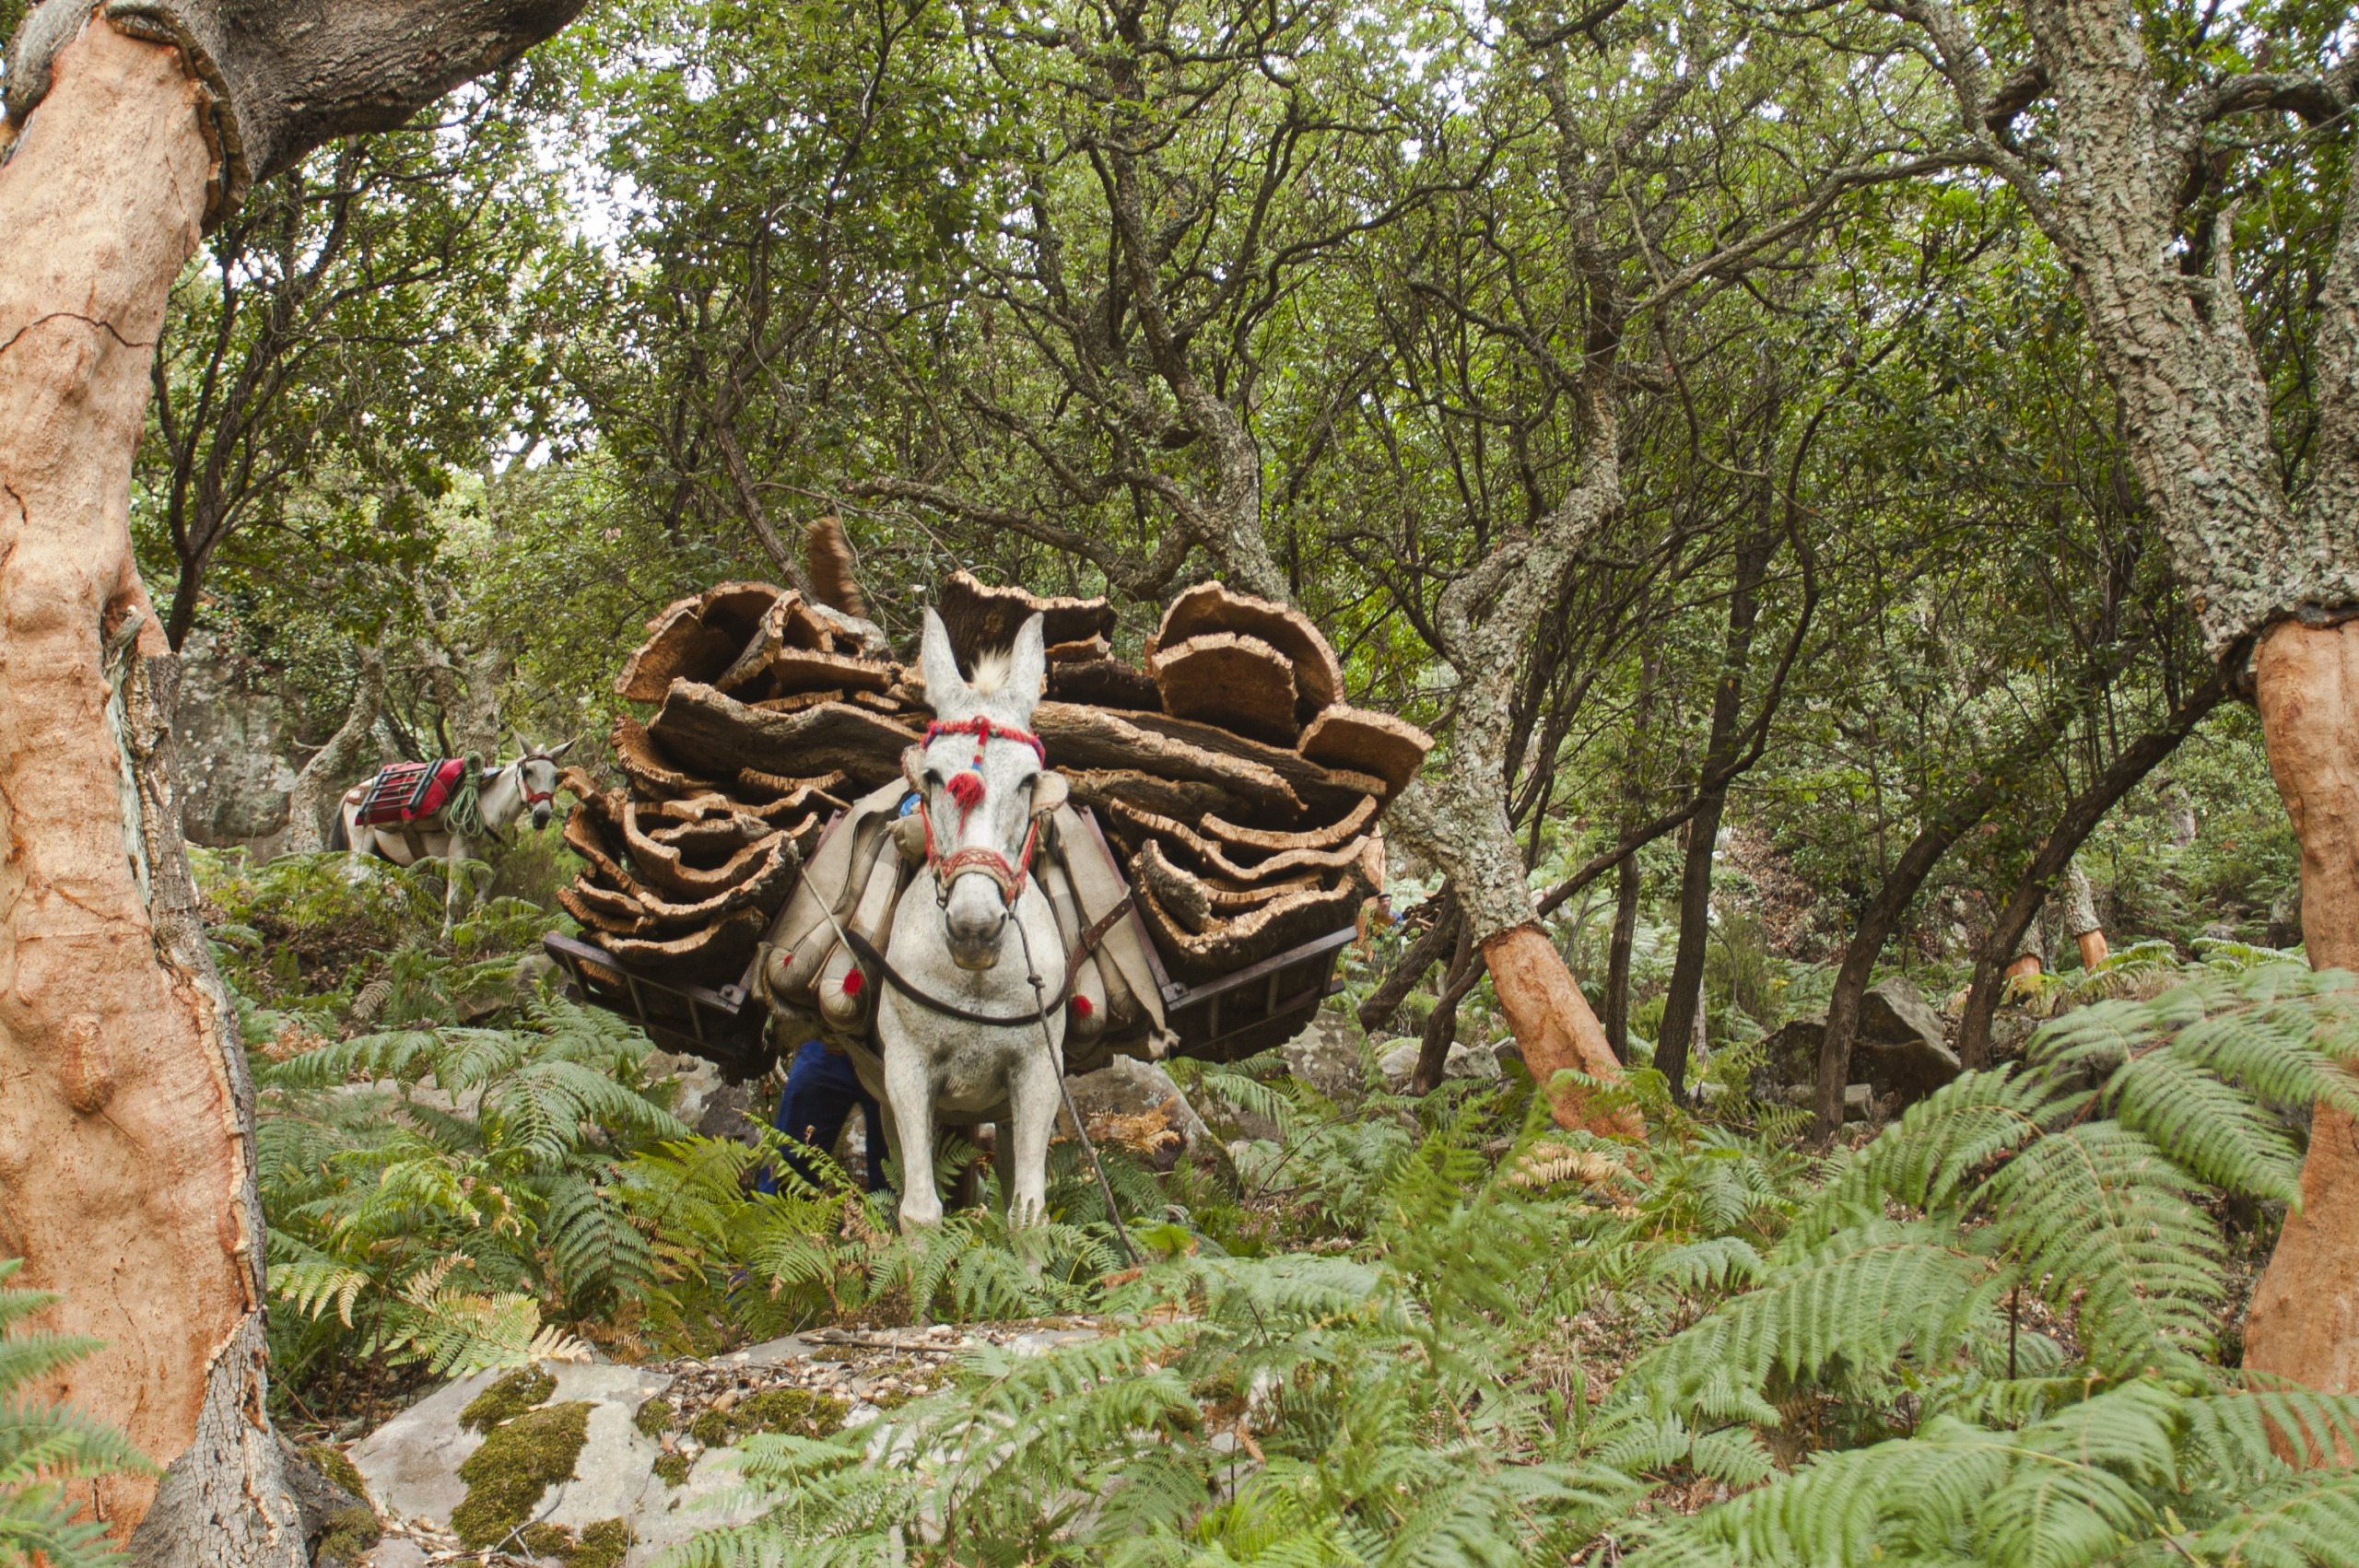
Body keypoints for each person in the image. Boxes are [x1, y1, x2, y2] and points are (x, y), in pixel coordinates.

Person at [757, 1040, 891, 1195]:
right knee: (789, 1160)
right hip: (830, 1041)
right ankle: (770, 1217)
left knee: (894, 1175)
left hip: (894, 1051)